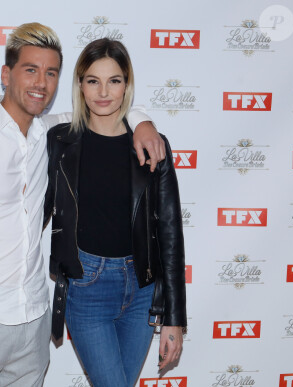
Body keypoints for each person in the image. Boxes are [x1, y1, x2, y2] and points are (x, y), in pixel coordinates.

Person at [0, 23, 164, 387]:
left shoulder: (52, 134)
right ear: (6, 74)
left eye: (51, 73)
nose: (41, 83)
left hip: (33, 320)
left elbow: (107, 106)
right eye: (30, 70)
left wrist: (143, 122)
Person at [44, 37, 187, 387]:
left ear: (127, 85)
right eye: (93, 80)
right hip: (87, 285)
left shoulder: (153, 145)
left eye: (115, 80)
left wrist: (174, 317)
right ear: (79, 85)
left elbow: (170, 233)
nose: (103, 92)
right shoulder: (58, 140)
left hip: (141, 290)